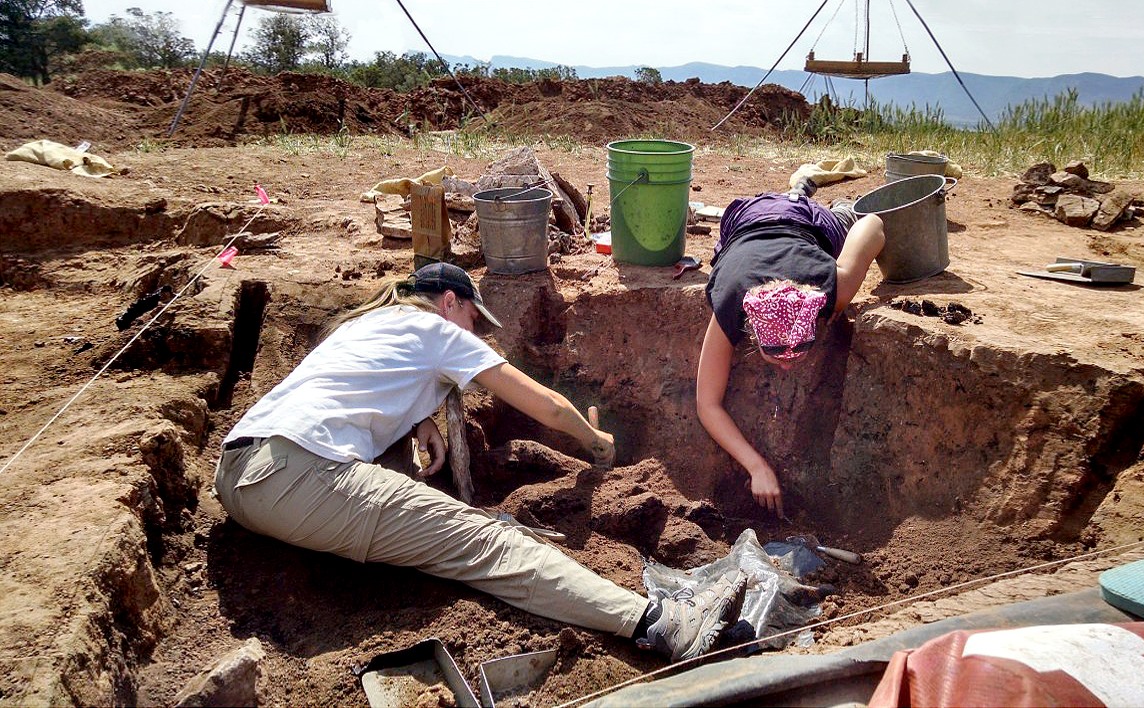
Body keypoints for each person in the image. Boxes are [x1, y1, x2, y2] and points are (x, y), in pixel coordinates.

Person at [214, 262, 745, 662]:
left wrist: (421, 421)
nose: (473, 333)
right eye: (473, 319)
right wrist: (594, 439)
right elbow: (547, 404)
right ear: (450, 302)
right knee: (486, 541)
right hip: (296, 478)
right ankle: (660, 622)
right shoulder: (439, 331)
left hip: (241, 475)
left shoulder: (364, 325)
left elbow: (367, 386)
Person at [696, 180, 886, 517]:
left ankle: (834, 207)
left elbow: (873, 224)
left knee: (843, 220)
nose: (787, 366)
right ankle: (802, 193)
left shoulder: (831, 287)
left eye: (799, 353)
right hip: (743, 219)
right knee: (788, 211)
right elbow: (706, 404)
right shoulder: (731, 301)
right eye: (777, 356)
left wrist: (857, 232)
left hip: (807, 223)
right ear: (752, 332)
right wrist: (757, 467)